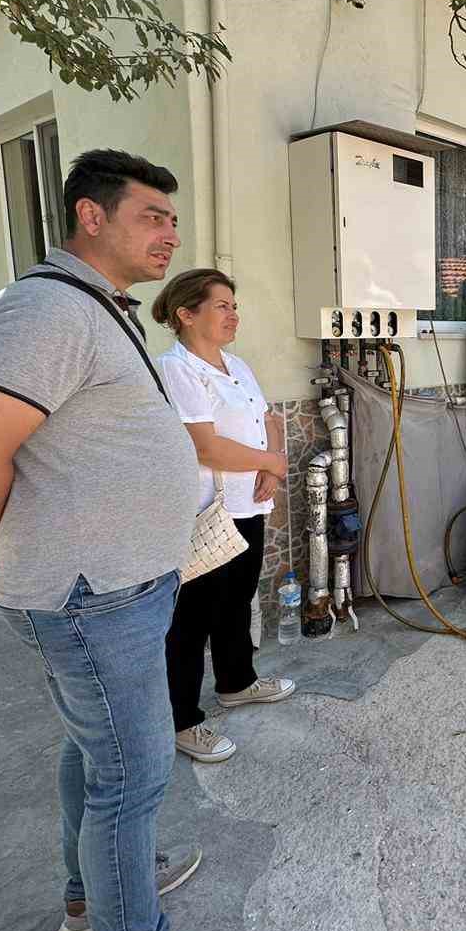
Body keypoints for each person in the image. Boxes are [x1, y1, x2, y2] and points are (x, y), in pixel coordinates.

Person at [0, 150, 246, 931]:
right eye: (151, 216)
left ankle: (91, 895)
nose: (170, 234)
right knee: (132, 778)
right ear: (90, 216)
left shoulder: (95, 305)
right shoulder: (44, 310)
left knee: (94, 751)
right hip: (91, 595)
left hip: (115, 587)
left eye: (173, 219)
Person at [153, 269, 296, 766]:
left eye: (234, 306)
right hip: (206, 511)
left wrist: (272, 466)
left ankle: (236, 682)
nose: (234, 315)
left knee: (236, 600)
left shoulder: (236, 365)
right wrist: (270, 461)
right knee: (191, 619)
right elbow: (205, 446)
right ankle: (181, 719)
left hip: (249, 503)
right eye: (221, 306)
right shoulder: (177, 369)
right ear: (186, 314)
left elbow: (269, 420)